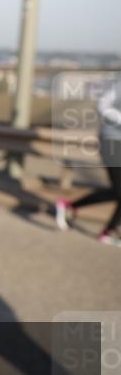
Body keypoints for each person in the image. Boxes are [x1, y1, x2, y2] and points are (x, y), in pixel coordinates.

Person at [55, 72, 121, 246]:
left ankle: (73, 208)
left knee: (118, 191)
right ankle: (106, 230)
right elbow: (102, 105)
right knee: (119, 190)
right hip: (112, 142)